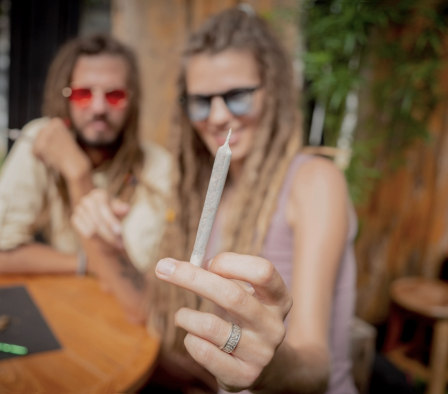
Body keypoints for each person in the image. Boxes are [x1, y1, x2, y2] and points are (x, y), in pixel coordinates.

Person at [145, 6, 358, 394]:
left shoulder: (314, 182)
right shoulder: (208, 193)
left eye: (237, 95)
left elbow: (316, 366)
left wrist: (268, 366)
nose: (218, 115)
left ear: (272, 92)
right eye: (201, 100)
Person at [0, 34, 171, 308]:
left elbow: (131, 283)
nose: (99, 108)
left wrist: (78, 174)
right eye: (83, 94)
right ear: (63, 96)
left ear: (131, 102)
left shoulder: (158, 168)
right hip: (66, 310)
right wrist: (85, 263)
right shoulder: (43, 141)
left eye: (114, 95)